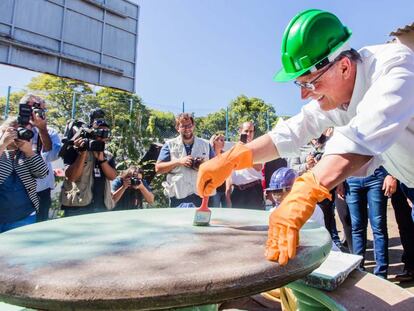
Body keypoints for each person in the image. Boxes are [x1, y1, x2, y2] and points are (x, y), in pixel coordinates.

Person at [197, 9, 414, 265]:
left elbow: (361, 137)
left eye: (310, 83)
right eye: (300, 84)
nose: (304, 95)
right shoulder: (339, 93)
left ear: (344, 66)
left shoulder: (395, 67)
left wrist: (304, 191)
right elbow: (295, 129)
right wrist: (234, 158)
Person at [60, 109, 117, 216]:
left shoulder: (107, 155)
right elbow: (71, 177)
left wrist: (102, 159)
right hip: (78, 208)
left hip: (102, 207)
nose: (102, 137)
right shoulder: (75, 149)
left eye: (106, 133)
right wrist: (83, 153)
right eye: (99, 132)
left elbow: (113, 176)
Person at [18, 94, 62, 222]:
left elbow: (51, 156)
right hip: (15, 188)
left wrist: (42, 130)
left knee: (40, 223)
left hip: (41, 189)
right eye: (31, 108)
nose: (35, 113)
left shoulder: (49, 132)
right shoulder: (10, 128)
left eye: (40, 109)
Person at [0, 117, 48, 232]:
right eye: (17, 131)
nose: (22, 135)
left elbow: (42, 173)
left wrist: (30, 152)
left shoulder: (27, 154)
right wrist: (2, 144)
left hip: (24, 217)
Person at [155, 113, 214, 207]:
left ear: (193, 126)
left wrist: (203, 165)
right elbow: (158, 169)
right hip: (178, 195)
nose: (187, 129)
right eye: (183, 126)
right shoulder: (169, 145)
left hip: (201, 194)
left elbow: (215, 168)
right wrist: (179, 162)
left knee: (201, 221)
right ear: (177, 128)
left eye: (189, 125)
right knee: (177, 221)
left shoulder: (206, 145)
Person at [344, 166, 389, 278]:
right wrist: (340, 180)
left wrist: (390, 175)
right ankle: (358, 270)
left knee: (379, 227)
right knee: (357, 227)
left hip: (376, 176)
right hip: (351, 179)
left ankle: (381, 274)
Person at [225, 121, 264, 210]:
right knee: (237, 222)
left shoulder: (257, 147)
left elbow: (258, 167)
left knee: (256, 221)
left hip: (254, 190)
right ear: (240, 131)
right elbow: (228, 174)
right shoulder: (233, 150)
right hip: (237, 192)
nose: (248, 134)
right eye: (246, 131)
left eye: (251, 131)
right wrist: (227, 195)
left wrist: (246, 149)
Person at [209, 132, 227, 207]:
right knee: (215, 212)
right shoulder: (210, 155)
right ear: (214, 141)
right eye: (221, 140)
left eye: (224, 140)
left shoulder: (225, 154)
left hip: (225, 188)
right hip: (214, 190)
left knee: (227, 212)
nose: (224, 142)